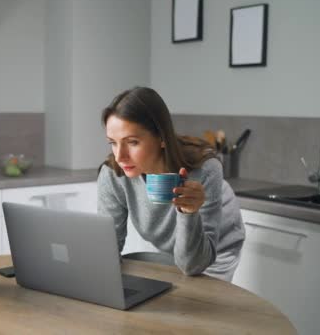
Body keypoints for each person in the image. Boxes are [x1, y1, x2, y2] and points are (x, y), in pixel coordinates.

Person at [97, 86, 245, 281]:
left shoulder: (204, 169)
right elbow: (107, 252)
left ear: (161, 138)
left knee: (197, 306)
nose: (120, 156)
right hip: (172, 252)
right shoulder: (113, 174)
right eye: (113, 143)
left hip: (214, 253)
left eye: (132, 142)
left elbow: (193, 265)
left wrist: (189, 213)